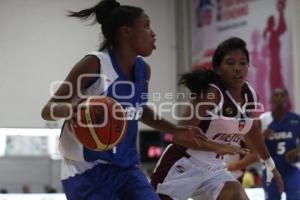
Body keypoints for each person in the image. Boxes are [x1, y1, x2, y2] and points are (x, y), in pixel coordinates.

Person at [41, 1, 246, 200]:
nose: (153, 33)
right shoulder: (94, 64)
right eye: (146, 26)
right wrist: (76, 108)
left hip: (126, 168)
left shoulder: (143, 69)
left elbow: (140, 110)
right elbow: (49, 110)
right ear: (126, 32)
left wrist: (176, 130)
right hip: (85, 170)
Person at [150, 37, 284, 200]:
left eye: (243, 63)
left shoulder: (250, 94)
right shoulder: (212, 94)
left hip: (214, 170)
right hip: (182, 165)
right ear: (218, 69)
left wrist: (270, 164)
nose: (238, 68)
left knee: (237, 195)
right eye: (230, 63)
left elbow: (252, 128)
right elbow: (180, 136)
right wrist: (214, 146)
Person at [260, 88, 300, 200]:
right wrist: (263, 137)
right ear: (271, 99)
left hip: (291, 168)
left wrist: (297, 151)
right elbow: (254, 146)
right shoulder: (263, 119)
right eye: (276, 95)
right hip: (270, 170)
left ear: (287, 99)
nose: (279, 97)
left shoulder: (296, 119)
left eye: (282, 95)